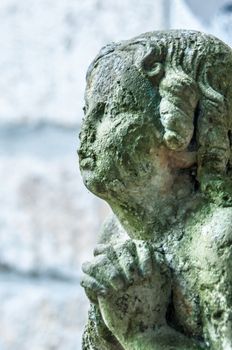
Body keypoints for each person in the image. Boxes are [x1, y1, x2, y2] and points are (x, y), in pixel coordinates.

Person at [79, 30, 232, 350]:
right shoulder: (117, 233)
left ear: (184, 138)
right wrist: (108, 324)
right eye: (87, 112)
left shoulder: (218, 241)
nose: (88, 131)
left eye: (111, 110)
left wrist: (145, 333)